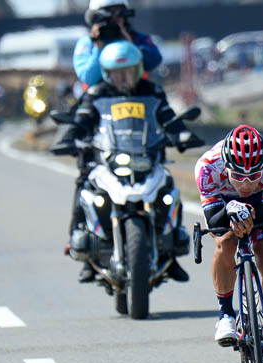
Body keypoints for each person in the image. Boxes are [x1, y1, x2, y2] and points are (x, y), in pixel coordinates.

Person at [66, 40, 201, 283]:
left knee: (170, 190)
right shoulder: (97, 93)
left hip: (146, 157)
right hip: (108, 159)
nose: (123, 79)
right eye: (117, 74)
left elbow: (167, 116)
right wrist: (70, 138)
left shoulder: (151, 91)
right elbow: (83, 118)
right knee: (84, 187)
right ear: (106, 74)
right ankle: (86, 255)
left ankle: (172, 255)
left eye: (128, 72)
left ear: (138, 70)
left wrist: (181, 134)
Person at [194, 125, 263, 361]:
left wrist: (247, 211)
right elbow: (213, 219)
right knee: (225, 243)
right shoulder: (207, 166)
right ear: (225, 166)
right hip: (224, 204)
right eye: (238, 176)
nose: (246, 184)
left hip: (261, 205)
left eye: (253, 177)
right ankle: (226, 315)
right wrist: (231, 210)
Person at [50, 0, 162, 155]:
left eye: (118, 16)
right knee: (83, 121)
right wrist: (98, 47)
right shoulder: (87, 43)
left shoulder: (137, 38)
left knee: (157, 96)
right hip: (98, 103)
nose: (114, 22)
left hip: (137, 96)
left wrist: (129, 44)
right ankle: (70, 143)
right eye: (108, 17)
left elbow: (154, 60)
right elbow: (88, 76)